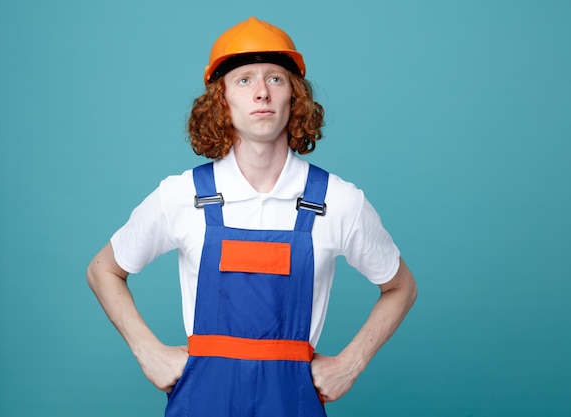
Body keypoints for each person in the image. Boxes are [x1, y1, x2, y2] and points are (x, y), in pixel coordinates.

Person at [87, 16, 417, 417]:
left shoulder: (337, 200)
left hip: (291, 401)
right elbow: (102, 269)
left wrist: (351, 363)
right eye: (244, 80)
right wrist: (147, 350)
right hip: (202, 399)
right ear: (221, 99)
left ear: (294, 97)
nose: (261, 92)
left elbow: (401, 287)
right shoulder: (182, 195)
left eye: (275, 79)